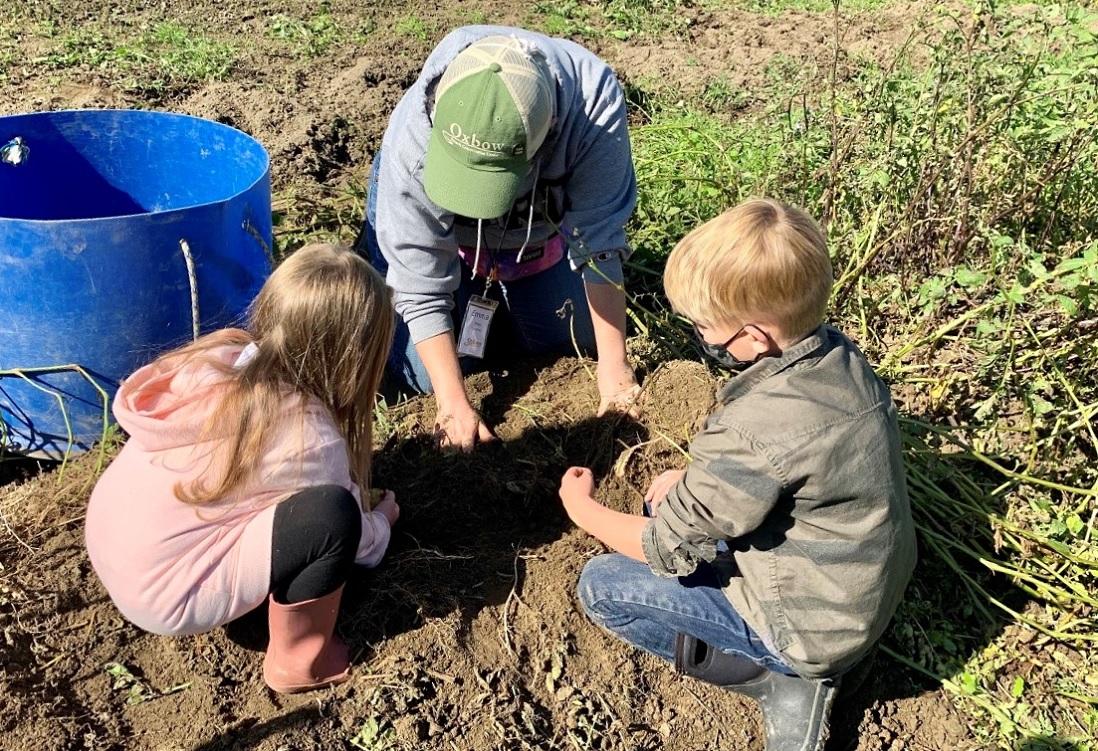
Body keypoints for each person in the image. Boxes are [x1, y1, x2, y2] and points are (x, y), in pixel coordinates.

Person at [558, 200, 917, 750]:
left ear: (754, 337)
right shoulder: (843, 360)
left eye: (705, 326)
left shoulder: (754, 429)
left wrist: (581, 506)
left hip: (810, 632)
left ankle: (779, 679)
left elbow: (661, 546)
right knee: (668, 501)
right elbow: (789, 464)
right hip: (861, 591)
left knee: (602, 585)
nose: (701, 334)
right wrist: (696, 480)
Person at [84, 244, 400, 695]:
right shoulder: (313, 439)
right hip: (164, 592)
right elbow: (358, 544)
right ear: (354, 356)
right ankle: (299, 661)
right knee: (330, 517)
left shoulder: (223, 355)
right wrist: (381, 523)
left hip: (111, 536)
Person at [355, 26, 642, 453]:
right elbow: (419, 282)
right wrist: (452, 404)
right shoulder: (415, 137)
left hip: (532, 240)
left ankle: (500, 302)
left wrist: (615, 370)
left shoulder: (592, 107)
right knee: (422, 375)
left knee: (572, 342)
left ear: (549, 135)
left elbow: (598, 242)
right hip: (446, 243)